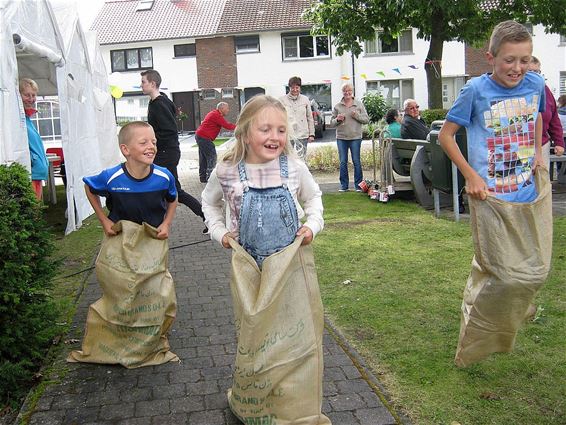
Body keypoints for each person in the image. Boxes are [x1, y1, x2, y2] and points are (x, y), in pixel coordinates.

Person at [201, 95, 328, 424]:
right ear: (244, 133)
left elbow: (314, 198)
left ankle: (291, 402)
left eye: (282, 130)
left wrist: (312, 225)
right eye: (265, 129)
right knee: (255, 334)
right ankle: (254, 398)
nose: (275, 137)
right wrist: (219, 232)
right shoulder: (227, 170)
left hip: (288, 267)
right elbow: (209, 203)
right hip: (249, 269)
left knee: (292, 333)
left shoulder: (294, 168)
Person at [438, 20, 550, 367]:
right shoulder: (475, 91)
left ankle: (517, 304)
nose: (518, 68)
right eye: (509, 60)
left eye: (525, 59)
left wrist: (537, 154)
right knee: (501, 273)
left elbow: (537, 118)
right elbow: (446, 135)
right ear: (491, 58)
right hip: (490, 197)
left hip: (527, 193)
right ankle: (475, 341)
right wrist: (471, 175)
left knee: (537, 271)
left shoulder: (535, 84)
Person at [83, 121, 177, 238]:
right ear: (125, 149)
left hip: (153, 240)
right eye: (143, 143)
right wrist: (104, 221)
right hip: (120, 241)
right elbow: (88, 186)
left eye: (154, 142)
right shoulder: (111, 177)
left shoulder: (164, 177)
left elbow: (173, 197)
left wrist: (166, 223)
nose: (151, 147)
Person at [140, 69, 206, 231]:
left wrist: (152, 143)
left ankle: (207, 217)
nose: (141, 85)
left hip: (166, 153)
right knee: (168, 190)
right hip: (166, 152)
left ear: (153, 84)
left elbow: (168, 131)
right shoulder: (158, 101)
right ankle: (206, 218)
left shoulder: (160, 104)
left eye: (143, 82)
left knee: (171, 190)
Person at [330, 82, 369, 192]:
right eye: (345, 91)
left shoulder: (359, 105)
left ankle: (358, 186)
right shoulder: (338, 106)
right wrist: (337, 119)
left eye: (349, 91)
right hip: (341, 137)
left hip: (355, 137)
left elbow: (366, 120)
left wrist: (356, 116)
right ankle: (344, 186)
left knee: (356, 161)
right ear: (342, 92)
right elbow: (331, 123)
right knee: (343, 161)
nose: (347, 93)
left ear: (352, 92)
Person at [528, 56, 564, 165]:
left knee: (542, 180)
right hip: (520, 146)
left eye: (536, 71)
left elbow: (554, 119)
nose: (534, 75)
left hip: (542, 145)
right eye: (530, 71)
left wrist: (559, 142)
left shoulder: (545, 90)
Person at [19, 78, 48, 200]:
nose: (31, 99)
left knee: (35, 213)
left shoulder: (27, 119)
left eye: (33, 95)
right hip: (30, 173)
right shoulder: (19, 119)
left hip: (36, 174)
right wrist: (32, 160)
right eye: (27, 95)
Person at [195, 102, 236, 183]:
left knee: (203, 158)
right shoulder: (216, 115)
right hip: (204, 137)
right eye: (227, 108)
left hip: (200, 136)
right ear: (222, 108)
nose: (228, 110)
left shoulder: (214, 113)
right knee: (212, 156)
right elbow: (227, 125)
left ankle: (203, 177)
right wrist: (240, 127)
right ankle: (210, 178)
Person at [279, 76, 315, 160]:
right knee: (287, 158)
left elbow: (309, 117)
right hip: (288, 135)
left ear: (300, 88)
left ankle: (301, 173)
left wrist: (311, 134)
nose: (295, 90)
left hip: (302, 134)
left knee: (301, 160)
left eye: (297, 87)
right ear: (289, 88)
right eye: (293, 87)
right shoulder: (282, 100)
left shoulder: (305, 99)